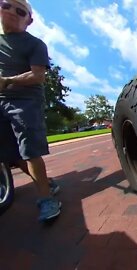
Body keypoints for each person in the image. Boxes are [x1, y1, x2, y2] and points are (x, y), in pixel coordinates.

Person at [0, 0, 61, 222]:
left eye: (20, 11)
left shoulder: (35, 44)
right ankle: (47, 183)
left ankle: (47, 200)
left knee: (29, 150)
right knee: (10, 155)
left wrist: (6, 81)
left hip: (25, 101)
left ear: (29, 20)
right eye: (6, 5)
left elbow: (38, 76)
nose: (11, 12)